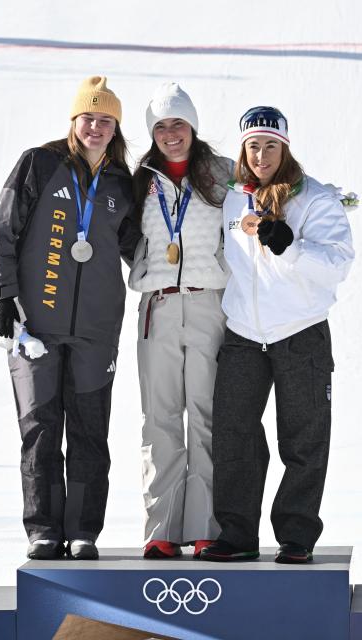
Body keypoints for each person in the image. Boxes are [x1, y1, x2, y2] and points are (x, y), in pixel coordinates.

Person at [0, 76, 141, 560]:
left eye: (106, 120)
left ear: (116, 128)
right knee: (41, 430)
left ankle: (85, 530)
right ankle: (43, 529)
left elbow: (140, 249)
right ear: (74, 121)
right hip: (36, 329)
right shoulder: (40, 163)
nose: (96, 126)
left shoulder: (121, 184)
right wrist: (1, 295)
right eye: (88, 117)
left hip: (96, 332)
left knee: (91, 432)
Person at [200, 106, 355, 563]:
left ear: (284, 147)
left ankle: (296, 535)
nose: (261, 154)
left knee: (303, 436)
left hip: (300, 332)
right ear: (243, 152)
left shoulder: (315, 198)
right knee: (233, 434)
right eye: (253, 146)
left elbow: (338, 264)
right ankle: (238, 533)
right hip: (244, 334)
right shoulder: (233, 200)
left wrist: (290, 246)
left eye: (270, 145)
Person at [129, 82, 234, 559]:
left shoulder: (224, 174)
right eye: (161, 126)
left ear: (193, 126)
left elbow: (264, 206)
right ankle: (163, 528)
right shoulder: (139, 179)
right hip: (159, 308)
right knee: (161, 418)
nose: (171, 134)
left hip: (209, 302)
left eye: (179, 124)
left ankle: (209, 526)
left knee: (208, 416)